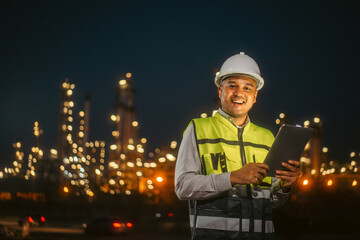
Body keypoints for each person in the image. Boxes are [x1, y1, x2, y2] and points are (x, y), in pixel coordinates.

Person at [175, 52, 300, 240]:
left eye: (247, 88)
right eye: (232, 86)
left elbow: (271, 202)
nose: (239, 93)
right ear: (220, 90)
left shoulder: (266, 137)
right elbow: (183, 187)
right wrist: (233, 177)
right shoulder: (198, 129)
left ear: (255, 95)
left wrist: (284, 186)